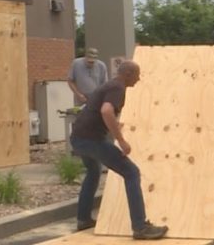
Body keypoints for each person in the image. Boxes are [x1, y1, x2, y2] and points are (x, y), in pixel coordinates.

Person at [69, 60, 168, 240]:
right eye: (137, 75)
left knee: (93, 172)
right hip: (91, 140)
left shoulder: (109, 85)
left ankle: (83, 219)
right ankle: (140, 227)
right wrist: (121, 140)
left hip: (78, 139)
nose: (138, 79)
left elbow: (99, 111)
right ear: (128, 74)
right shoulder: (118, 87)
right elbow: (106, 111)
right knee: (131, 172)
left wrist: (115, 125)